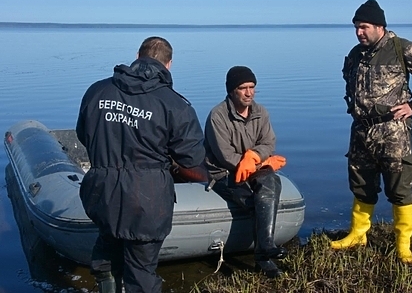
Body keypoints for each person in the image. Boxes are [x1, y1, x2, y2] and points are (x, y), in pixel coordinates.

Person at [76, 36, 206, 292]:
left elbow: (84, 134)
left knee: (106, 254)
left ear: (137, 56)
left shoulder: (97, 91)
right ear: (169, 65)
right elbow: (192, 158)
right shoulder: (175, 104)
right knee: (142, 273)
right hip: (147, 200)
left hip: (102, 192)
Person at [331, 0, 412, 263]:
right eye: (356, 28)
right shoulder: (356, 54)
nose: (359, 32)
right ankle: (358, 234)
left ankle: (402, 244)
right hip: (361, 130)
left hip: (393, 131)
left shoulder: (400, 48)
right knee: (361, 184)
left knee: (400, 187)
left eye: (364, 27)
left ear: (379, 26)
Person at [204, 66, 288, 278]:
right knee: (254, 203)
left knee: (272, 182)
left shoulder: (261, 113)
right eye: (243, 88)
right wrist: (257, 164)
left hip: (252, 169)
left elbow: (268, 142)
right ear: (232, 91)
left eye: (252, 88)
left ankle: (265, 249)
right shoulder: (217, 116)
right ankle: (263, 255)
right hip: (224, 173)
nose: (249, 93)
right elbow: (225, 156)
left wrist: (256, 159)